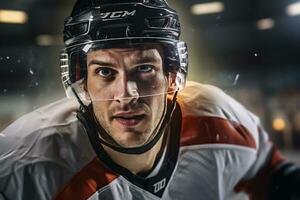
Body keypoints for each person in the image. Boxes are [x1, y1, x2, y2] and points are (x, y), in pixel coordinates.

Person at [0, 0, 299, 199]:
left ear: (172, 75)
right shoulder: (23, 167)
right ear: (82, 81)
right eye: (105, 71)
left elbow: (272, 175)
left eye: (144, 68)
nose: (127, 94)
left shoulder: (219, 119)